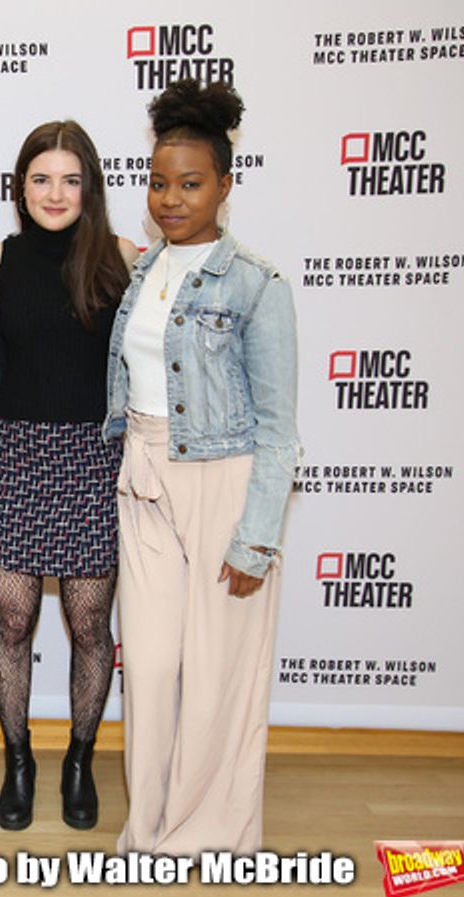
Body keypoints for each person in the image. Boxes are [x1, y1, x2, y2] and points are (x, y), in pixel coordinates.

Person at [105, 79, 298, 855]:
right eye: (158, 182)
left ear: (224, 183)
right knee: (148, 669)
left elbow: (281, 431)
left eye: (190, 183)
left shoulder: (257, 283)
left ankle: (211, 834)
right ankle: (148, 827)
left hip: (224, 481)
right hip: (142, 478)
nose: (171, 198)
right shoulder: (144, 270)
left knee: (220, 674)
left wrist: (256, 537)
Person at [0, 121, 138, 831]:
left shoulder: (123, 258)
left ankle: (79, 758)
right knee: (12, 619)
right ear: (20, 186)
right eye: (41, 178)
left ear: (91, 188)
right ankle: (20, 761)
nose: (55, 192)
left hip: (94, 459)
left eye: (71, 179)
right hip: (15, 454)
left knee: (87, 624)